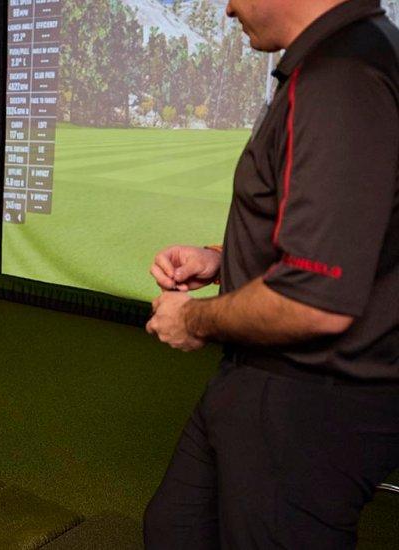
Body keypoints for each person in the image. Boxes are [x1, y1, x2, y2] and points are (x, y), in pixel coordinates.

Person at [143, 0, 398, 547]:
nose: (229, 8)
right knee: (176, 527)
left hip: (310, 402)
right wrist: (221, 257)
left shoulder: (341, 76)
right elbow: (352, 229)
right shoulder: (345, 57)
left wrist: (191, 320)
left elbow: (314, 301)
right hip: (270, 380)